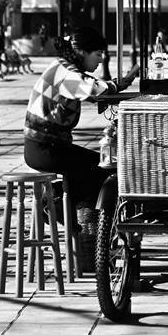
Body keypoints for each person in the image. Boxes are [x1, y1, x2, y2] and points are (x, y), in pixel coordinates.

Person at [24, 27, 140, 209]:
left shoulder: (63, 68)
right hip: (45, 150)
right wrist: (119, 84)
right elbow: (94, 89)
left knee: (98, 167)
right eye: (98, 54)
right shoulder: (65, 73)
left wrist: (118, 84)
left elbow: (91, 87)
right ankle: (57, 204)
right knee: (105, 170)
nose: (101, 60)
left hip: (47, 148)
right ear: (81, 52)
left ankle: (66, 205)